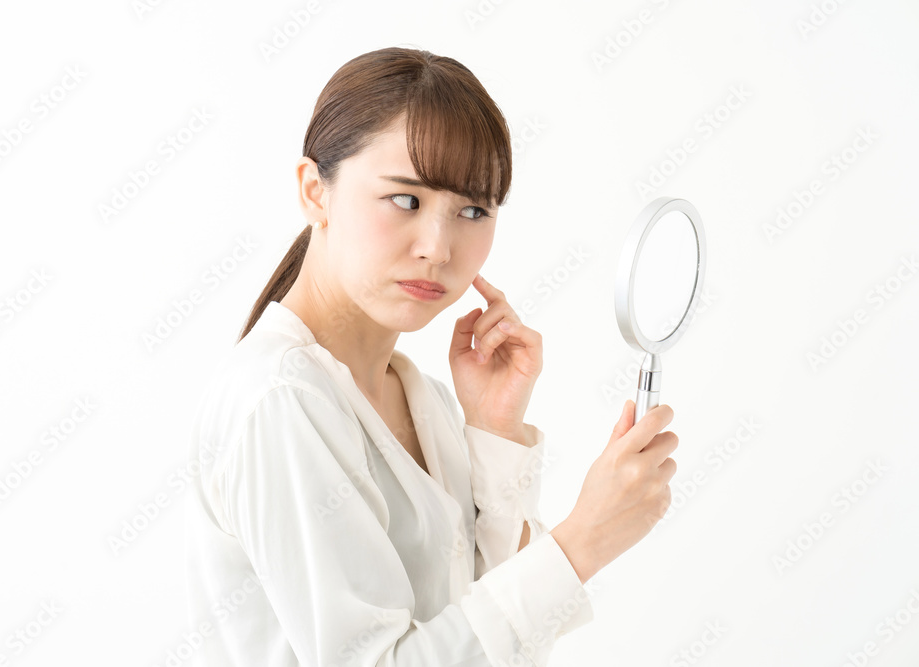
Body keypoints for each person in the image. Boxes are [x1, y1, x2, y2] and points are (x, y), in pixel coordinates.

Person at [184, 45, 678, 666]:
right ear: (315, 191)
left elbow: (500, 646)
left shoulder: (427, 401)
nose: (438, 248)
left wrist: (493, 431)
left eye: (472, 210)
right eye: (406, 200)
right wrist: (585, 540)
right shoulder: (281, 399)